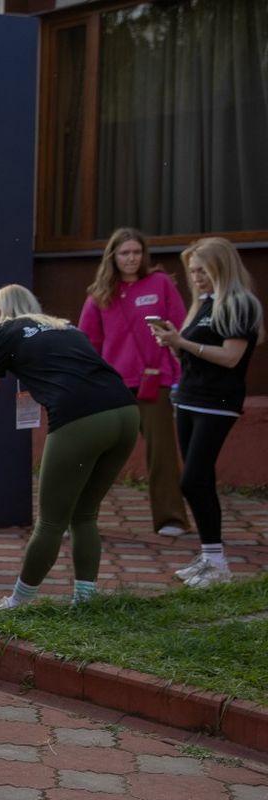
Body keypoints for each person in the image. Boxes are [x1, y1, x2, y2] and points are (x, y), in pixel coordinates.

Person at [0, 285, 139, 608]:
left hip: (79, 419)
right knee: (85, 514)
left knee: (50, 522)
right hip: (126, 413)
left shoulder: (3, 332)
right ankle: (85, 600)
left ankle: (19, 601)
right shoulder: (65, 327)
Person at [150, 237, 264, 588]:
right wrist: (173, 343)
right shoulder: (205, 303)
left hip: (217, 402)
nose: (196, 277)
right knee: (200, 481)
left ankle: (218, 564)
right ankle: (210, 556)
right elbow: (191, 357)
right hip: (187, 397)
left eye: (202, 270)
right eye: (193, 271)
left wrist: (182, 342)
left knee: (193, 480)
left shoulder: (241, 304)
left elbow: (230, 357)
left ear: (221, 267)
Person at [79, 227, 189, 538]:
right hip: (113, 386)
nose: (131, 258)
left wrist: (179, 374)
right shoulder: (99, 294)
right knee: (95, 453)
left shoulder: (160, 283)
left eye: (136, 252)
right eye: (125, 252)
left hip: (156, 381)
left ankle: (171, 519)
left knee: (162, 453)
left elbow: (180, 330)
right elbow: (89, 345)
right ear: (113, 256)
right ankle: (79, 518)